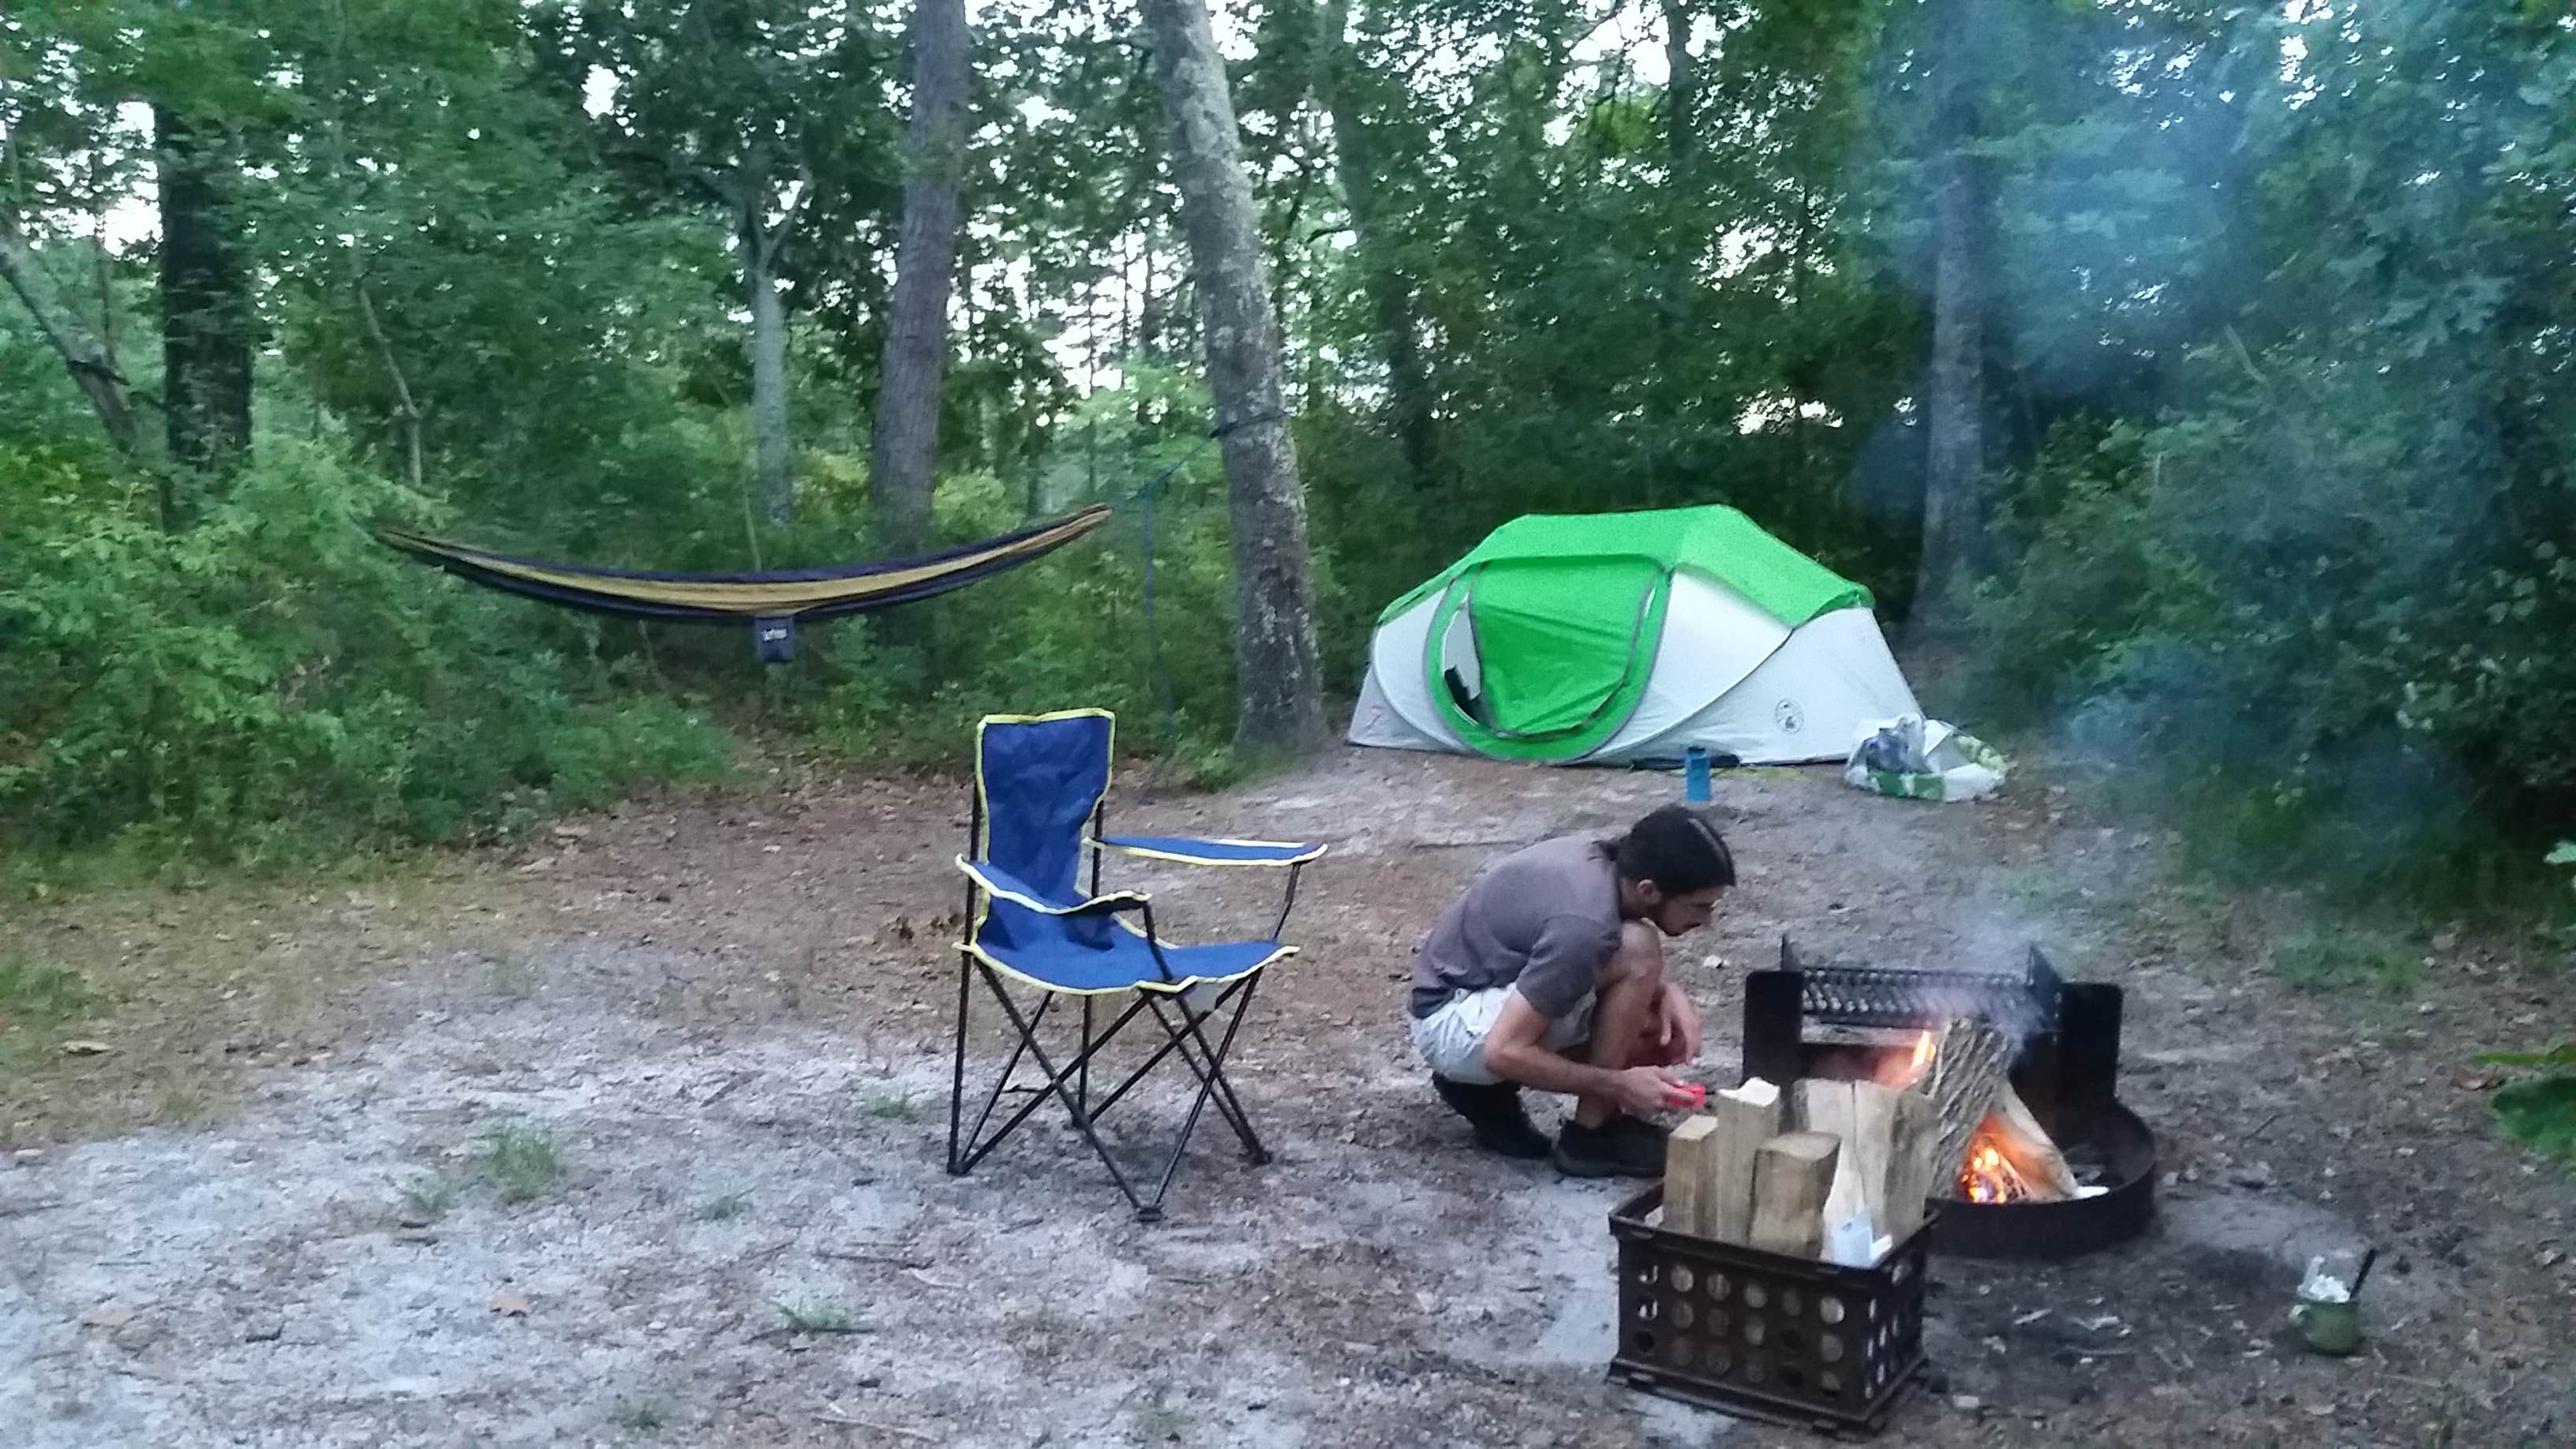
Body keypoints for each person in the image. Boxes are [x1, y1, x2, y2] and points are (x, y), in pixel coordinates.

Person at [1406, 804, 1735, 1178]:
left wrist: (1665, 990)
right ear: (1649, 890)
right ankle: (1590, 1137)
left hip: (1474, 992)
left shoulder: (1605, 866)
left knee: (1657, 1027)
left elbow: (1572, 955)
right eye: (1699, 907)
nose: (1707, 921)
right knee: (1640, 956)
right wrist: (1620, 1084)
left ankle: (1481, 1091)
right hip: (1450, 1021)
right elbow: (1504, 1050)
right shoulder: (1585, 923)